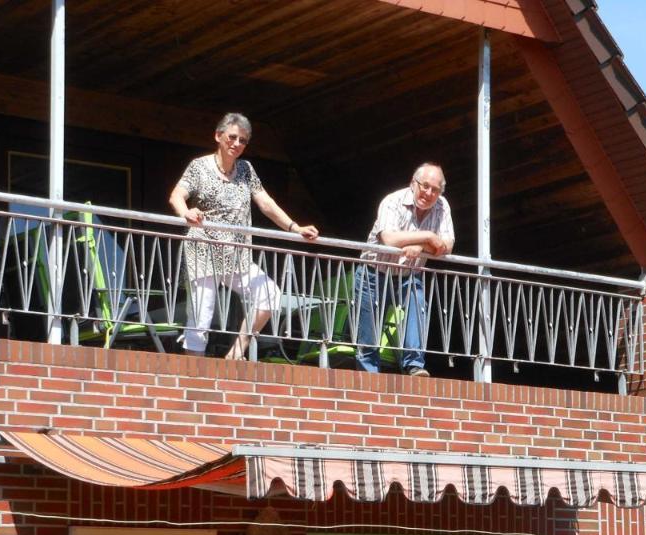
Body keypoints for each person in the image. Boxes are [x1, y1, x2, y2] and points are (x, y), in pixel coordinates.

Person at [169, 112, 318, 357]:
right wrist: (186, 213)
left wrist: (295, 227)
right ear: (218, 136)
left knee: (269, 295)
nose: (237, 144)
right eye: (232, 137)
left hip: (237, 255)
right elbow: (176, 195)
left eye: (243, 141)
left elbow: (266, 203)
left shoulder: (246, 169)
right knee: (201, 316)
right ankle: (193, 377)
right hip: (203, 251)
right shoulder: (199, 166)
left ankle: (236, 353)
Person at [354, 162, 454, 376]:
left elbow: (447, 244)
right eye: (424, 186)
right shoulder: (392, 201)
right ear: (413, 183)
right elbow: (390, 238)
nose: (428, 193)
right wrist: (428, 237)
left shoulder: (442, 206)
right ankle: (369, 378)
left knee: (417, 305)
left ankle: (414, 365)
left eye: (435, 190)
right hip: (374, 272)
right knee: (368, 333)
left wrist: (419, 246)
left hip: (409, 274)